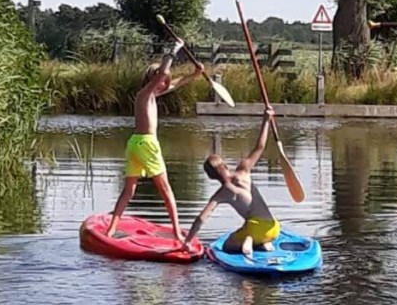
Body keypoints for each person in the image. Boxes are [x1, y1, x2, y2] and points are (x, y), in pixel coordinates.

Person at [107, 39, 204, 244]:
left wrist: (195, 74)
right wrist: (174, 50)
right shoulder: (144, 94)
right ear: (153, 79)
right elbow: (162, 74)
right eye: (162, 80)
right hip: (147, 144)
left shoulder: (151, 95)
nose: (165, 83)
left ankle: (112, 229)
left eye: (166, 81)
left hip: (135, 144)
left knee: (129, 190)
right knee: (167, 190)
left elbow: (177, 83)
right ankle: (178, 233)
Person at [183, 108, 280, 259]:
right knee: (258, 229)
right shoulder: (244, 169)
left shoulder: (221, 193)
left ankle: (249, 241)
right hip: (274, 227)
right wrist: (266, 120)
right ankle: (262, 243)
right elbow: (260, 147)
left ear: (210, 177)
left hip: (255, 229)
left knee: (227, 245)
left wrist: (187, 241)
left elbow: (201, 218)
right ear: (225, 165)